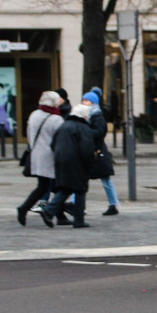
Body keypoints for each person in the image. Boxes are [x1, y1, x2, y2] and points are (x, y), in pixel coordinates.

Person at [41, 104, 96, 228]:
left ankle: (49, 211)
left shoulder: (64, 125)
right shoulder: (83, 128)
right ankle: (78, 219)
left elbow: (53, 144)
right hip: (76, 162)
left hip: (61, 160)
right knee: (80, 189)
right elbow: (86, 149)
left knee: (66, 188)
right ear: (84, 116)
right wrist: (90, 163)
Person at [16, 91, 64, 226]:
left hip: (37, 155)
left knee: (47, 186)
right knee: (53, 186)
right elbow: (60, 139)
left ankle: (59, 215)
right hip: (50, 157)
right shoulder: (56, 119)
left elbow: (30, 135)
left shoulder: (34, 115)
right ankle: (28, 209)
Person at [83, 88, 119, 216]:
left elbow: (100, 133)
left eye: (87, 100)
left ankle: (113, 204)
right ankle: (76, 204)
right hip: (91, 150)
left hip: (98, 151)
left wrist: (86, 132)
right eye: (83, 100)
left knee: (105, 179)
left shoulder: (97, 117)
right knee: (82, 178)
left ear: (93, 102)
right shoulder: (86, 116)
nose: (84, 102)